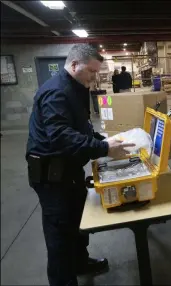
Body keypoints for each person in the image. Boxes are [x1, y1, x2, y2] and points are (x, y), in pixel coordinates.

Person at [26, 44, 134, 286]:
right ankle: (63, 280)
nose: (94, 78)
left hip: (69, 172)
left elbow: (81, 128)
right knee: (60, 234)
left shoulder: (75, 88)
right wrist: (105, 149)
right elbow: (62, 136)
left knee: (77, 222)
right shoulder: (57, 92)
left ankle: (80, 262)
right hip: (51, 176)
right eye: (91, 72)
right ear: (74, 65)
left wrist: (102, 140)